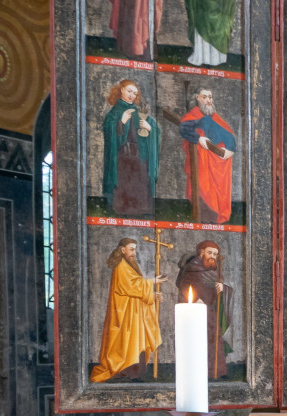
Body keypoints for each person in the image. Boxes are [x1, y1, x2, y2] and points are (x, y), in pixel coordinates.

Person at [89, 239, 167, 382]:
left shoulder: (129, 264)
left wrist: (152, 295)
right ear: (122, 249)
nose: (134, 253)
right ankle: (125, 372)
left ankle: (135, 373)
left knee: (137, 342)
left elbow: (135, 289)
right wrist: (152, 282)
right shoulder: (121, 265)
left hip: (134, 312)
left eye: (134, 250)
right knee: (126, 343)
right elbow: (129, 287)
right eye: (131, 249)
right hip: (124, 313)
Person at [101, 79, 159, 217]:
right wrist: (122, 122)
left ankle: (141, 208)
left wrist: (150, 128)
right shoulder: (114, 112)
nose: (132, 95)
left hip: (139, 154)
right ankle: (123, 208)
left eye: (134, 93)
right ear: (121, 90)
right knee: (124, 181)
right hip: (123, 154)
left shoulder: (139, 112)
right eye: (129, 91)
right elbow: (108, 129)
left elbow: (155, 129)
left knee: (139, 180)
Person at [176, 240, 233, 378]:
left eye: (215, 254)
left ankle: (216, 371)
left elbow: (216, 290)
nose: (212, 256)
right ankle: (200, 372)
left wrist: (223, 288)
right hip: (195, 311)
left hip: (210, 311)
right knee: (198, 341)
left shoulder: (214, 271)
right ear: (201, 252)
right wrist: (195, 300)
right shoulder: (191, 268)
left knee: (214, 340)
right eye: (210, 252)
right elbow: (184, 285)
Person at [179, 88, 237, 224]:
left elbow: (229, 136)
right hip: (203, 162)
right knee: (203, 190)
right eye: (204, 97)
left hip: (219, 164)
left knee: (217, 195)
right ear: (197, 98)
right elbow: (184, 128)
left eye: (210, 97)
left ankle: (214, 218)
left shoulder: (215, 117)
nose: (208, 100)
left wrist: (230, 149)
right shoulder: (193, 116)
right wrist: (198, 138)